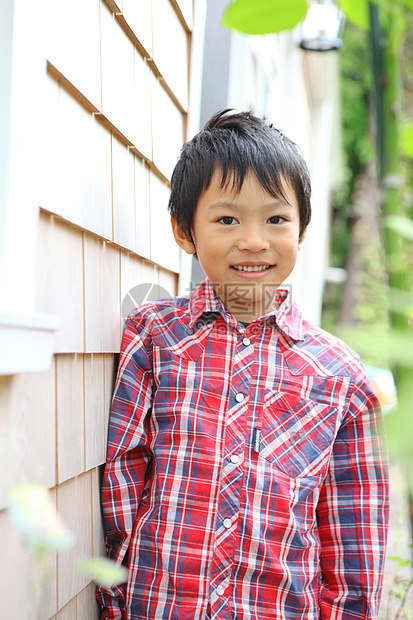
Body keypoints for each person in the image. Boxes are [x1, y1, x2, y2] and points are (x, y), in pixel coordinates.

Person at [97, 110, 389, 620]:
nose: (254, 240)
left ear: (302, 230)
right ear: (184, 231)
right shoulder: (155, 338)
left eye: (276, 219)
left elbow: (354, 531)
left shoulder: (340, 374)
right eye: (227, 218)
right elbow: (125, 476)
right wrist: (117, 601)